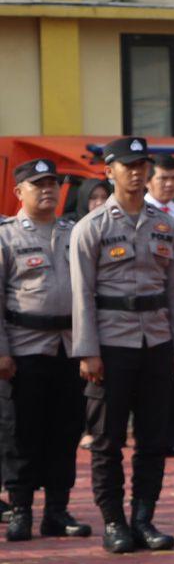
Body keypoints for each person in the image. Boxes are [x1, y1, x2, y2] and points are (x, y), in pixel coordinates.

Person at [70, 136, 174, 554]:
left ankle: (144, 517)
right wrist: (87, 350)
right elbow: (81, 294)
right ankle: (113, 521)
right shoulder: (92, 227)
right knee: (106, 439)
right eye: (128, 166)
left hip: (157, 341)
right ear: (110, 172)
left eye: (142, 165)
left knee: (155, 437)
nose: (137, 173)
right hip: (110, 344)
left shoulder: (166, 225)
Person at [0, 159, 93, 542]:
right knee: (21, 431)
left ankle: (57, 510)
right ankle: (20, 509)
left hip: (68, 347)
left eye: (52, 183)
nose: (48, 190)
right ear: (20, 191)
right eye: (38, 184)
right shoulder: (6, 236)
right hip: (24, 347)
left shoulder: (73, 233)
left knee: (65, 428)